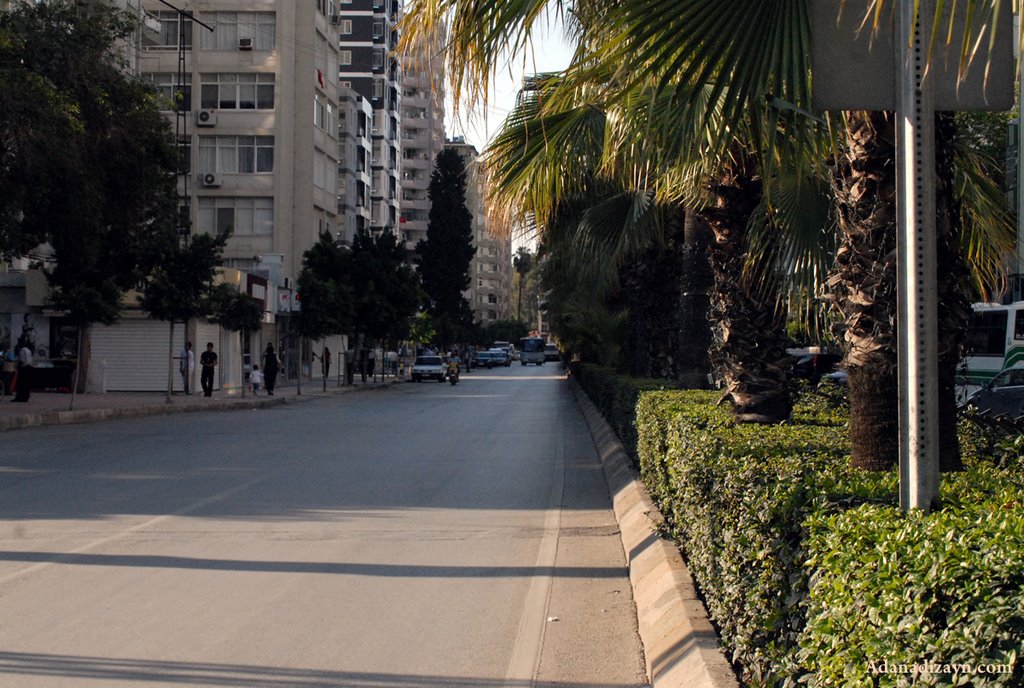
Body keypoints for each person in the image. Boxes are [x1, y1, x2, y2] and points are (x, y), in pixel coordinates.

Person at [11, 338, 33, 402]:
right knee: (27, 384)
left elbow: (22, 360)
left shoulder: (22, 350)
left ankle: (20, 397)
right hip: (29, 367)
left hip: (24, 368)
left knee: (21, 383)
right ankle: (25, 397)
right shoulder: (28, 350)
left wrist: (17, 366)